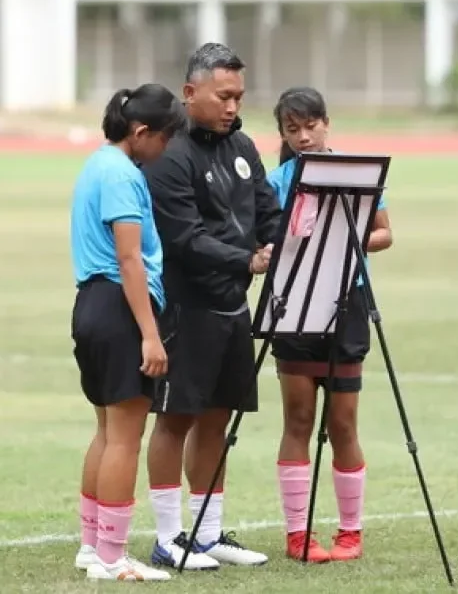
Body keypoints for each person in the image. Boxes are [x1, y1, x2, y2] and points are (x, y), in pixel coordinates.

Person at [142, 43, 281, 571]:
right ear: (190, 92)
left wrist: (281, 241)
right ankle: (167, 536)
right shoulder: (170, 155)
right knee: (175, 419)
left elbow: (266, 210)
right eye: (223, 96)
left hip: (232, 307)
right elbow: (183, 237)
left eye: (238, 96)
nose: (232, 106)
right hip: (186, 307)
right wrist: (247, 259)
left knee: (217, 419)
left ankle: (207, 533)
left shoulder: (242, 145)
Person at [265, 87, 393, 564]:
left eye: (310, 126)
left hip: (347, 302)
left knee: (343, 423)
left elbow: (384, 233)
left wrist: (346, 238)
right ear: (282, 134)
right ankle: (297, 534)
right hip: (294, 304)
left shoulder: (358, 174)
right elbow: (262, 238)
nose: (303, 136)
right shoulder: (276, 182)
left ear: (326, 123)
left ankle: (350, 532)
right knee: (298, 418)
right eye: (292, 129)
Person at [69, 83, 187, 582]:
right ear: (140, 132)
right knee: (125, 438)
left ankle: (92, 546)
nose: (166, 148)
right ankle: (113, 558)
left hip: (92, 304)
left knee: (106, 431)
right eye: (164, 138)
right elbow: (129, 257)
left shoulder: (97, 164)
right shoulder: (122, 175)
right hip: (120, 307)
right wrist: (150, 334)